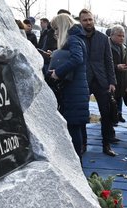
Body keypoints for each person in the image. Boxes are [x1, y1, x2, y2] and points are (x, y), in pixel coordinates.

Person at [48, 14, 89, 161]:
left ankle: (76, 163)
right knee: (73, 127)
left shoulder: (73, 39)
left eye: (56, 29)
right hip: (75, 90)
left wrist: (58, 72)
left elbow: (77, 59)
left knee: (73, 127)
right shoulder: (77, 38)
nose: (55, 33)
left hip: (74, 91)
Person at [79, 9, 118, 157]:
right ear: (80, 21)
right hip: (83, 80)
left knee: (106, 114)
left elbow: (109, 60)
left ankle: (106, 145)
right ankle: (83, 143)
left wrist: (112, 81)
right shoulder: (77, 37)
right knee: (82, 113)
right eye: (85, 20)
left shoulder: (103, 38)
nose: (88, 22)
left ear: (93, 20)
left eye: (90, 19)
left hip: (102, 80)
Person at [109, 25, 127, 125]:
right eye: (119, 35)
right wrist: (116, 66)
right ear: (112, 35)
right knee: (110, 102)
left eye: (123, 36)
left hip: (122, 80)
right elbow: (104, 65)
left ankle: (118, 115)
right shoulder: (107, 46)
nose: (122, 38)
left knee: (119, 99)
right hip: (111, 80)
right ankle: (111, 119)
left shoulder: (124, 48)